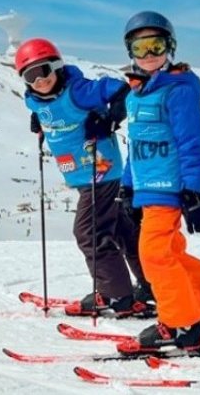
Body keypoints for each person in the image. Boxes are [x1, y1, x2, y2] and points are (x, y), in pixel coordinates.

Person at [16, 38, 154, 318]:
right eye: (30, 75)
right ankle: (152, 285)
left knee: (89, 232)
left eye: (44, 71)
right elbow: (46, 109)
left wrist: (109, 118)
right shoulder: (37, 99)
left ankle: (116, 295)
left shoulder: (77, 90)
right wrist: (39, 121)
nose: (39, 80)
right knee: (121, 230)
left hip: (100, 172)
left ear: (56, 67)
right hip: (84, 175)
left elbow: (120, 90)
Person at [119, 11, 200, 350]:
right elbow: (134, 147)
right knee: (173, 255)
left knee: (154, 256)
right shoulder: (135, 94)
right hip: (147, 189)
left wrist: (192, 190)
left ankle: (180, 324)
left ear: (171, 47)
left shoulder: (178, 91)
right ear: (131, 52)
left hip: (169, 188)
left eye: (157, 45)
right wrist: (127, 186)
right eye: (141, 47)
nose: (149, 53)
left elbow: (191, 143)